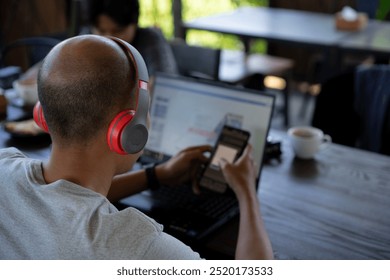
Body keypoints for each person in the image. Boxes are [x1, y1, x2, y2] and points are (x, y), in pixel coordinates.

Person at [0, 34, 273, 259]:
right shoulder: (140, 248)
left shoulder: (4, 167)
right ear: (128, 130)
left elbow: (68, 198)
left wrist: (157, 175)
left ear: (42, 115)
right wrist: (247, 192)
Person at [89, 0, 178, 77]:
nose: (108, 39)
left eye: (118, 31)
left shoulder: (149, 40)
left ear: (135, 24)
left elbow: (162, 83)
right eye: (101, 31)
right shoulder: (86, 41)